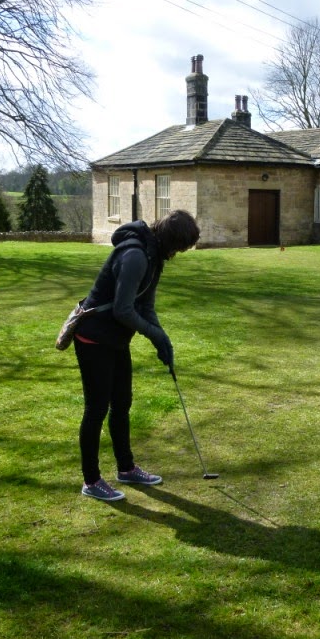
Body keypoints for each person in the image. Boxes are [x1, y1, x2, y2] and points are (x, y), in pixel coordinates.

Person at [73, 209, 200, 502]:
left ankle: (126, 468)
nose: (178, 254)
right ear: (171, 240)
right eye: (179, 247)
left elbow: (146, 307)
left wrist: (161, 339)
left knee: (122, 403)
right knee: (96, 408)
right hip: (94, 337)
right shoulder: (135, 256)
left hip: (115, 338)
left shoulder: (154, 256)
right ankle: (91, 480)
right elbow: (123, 309)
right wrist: (153, 334)